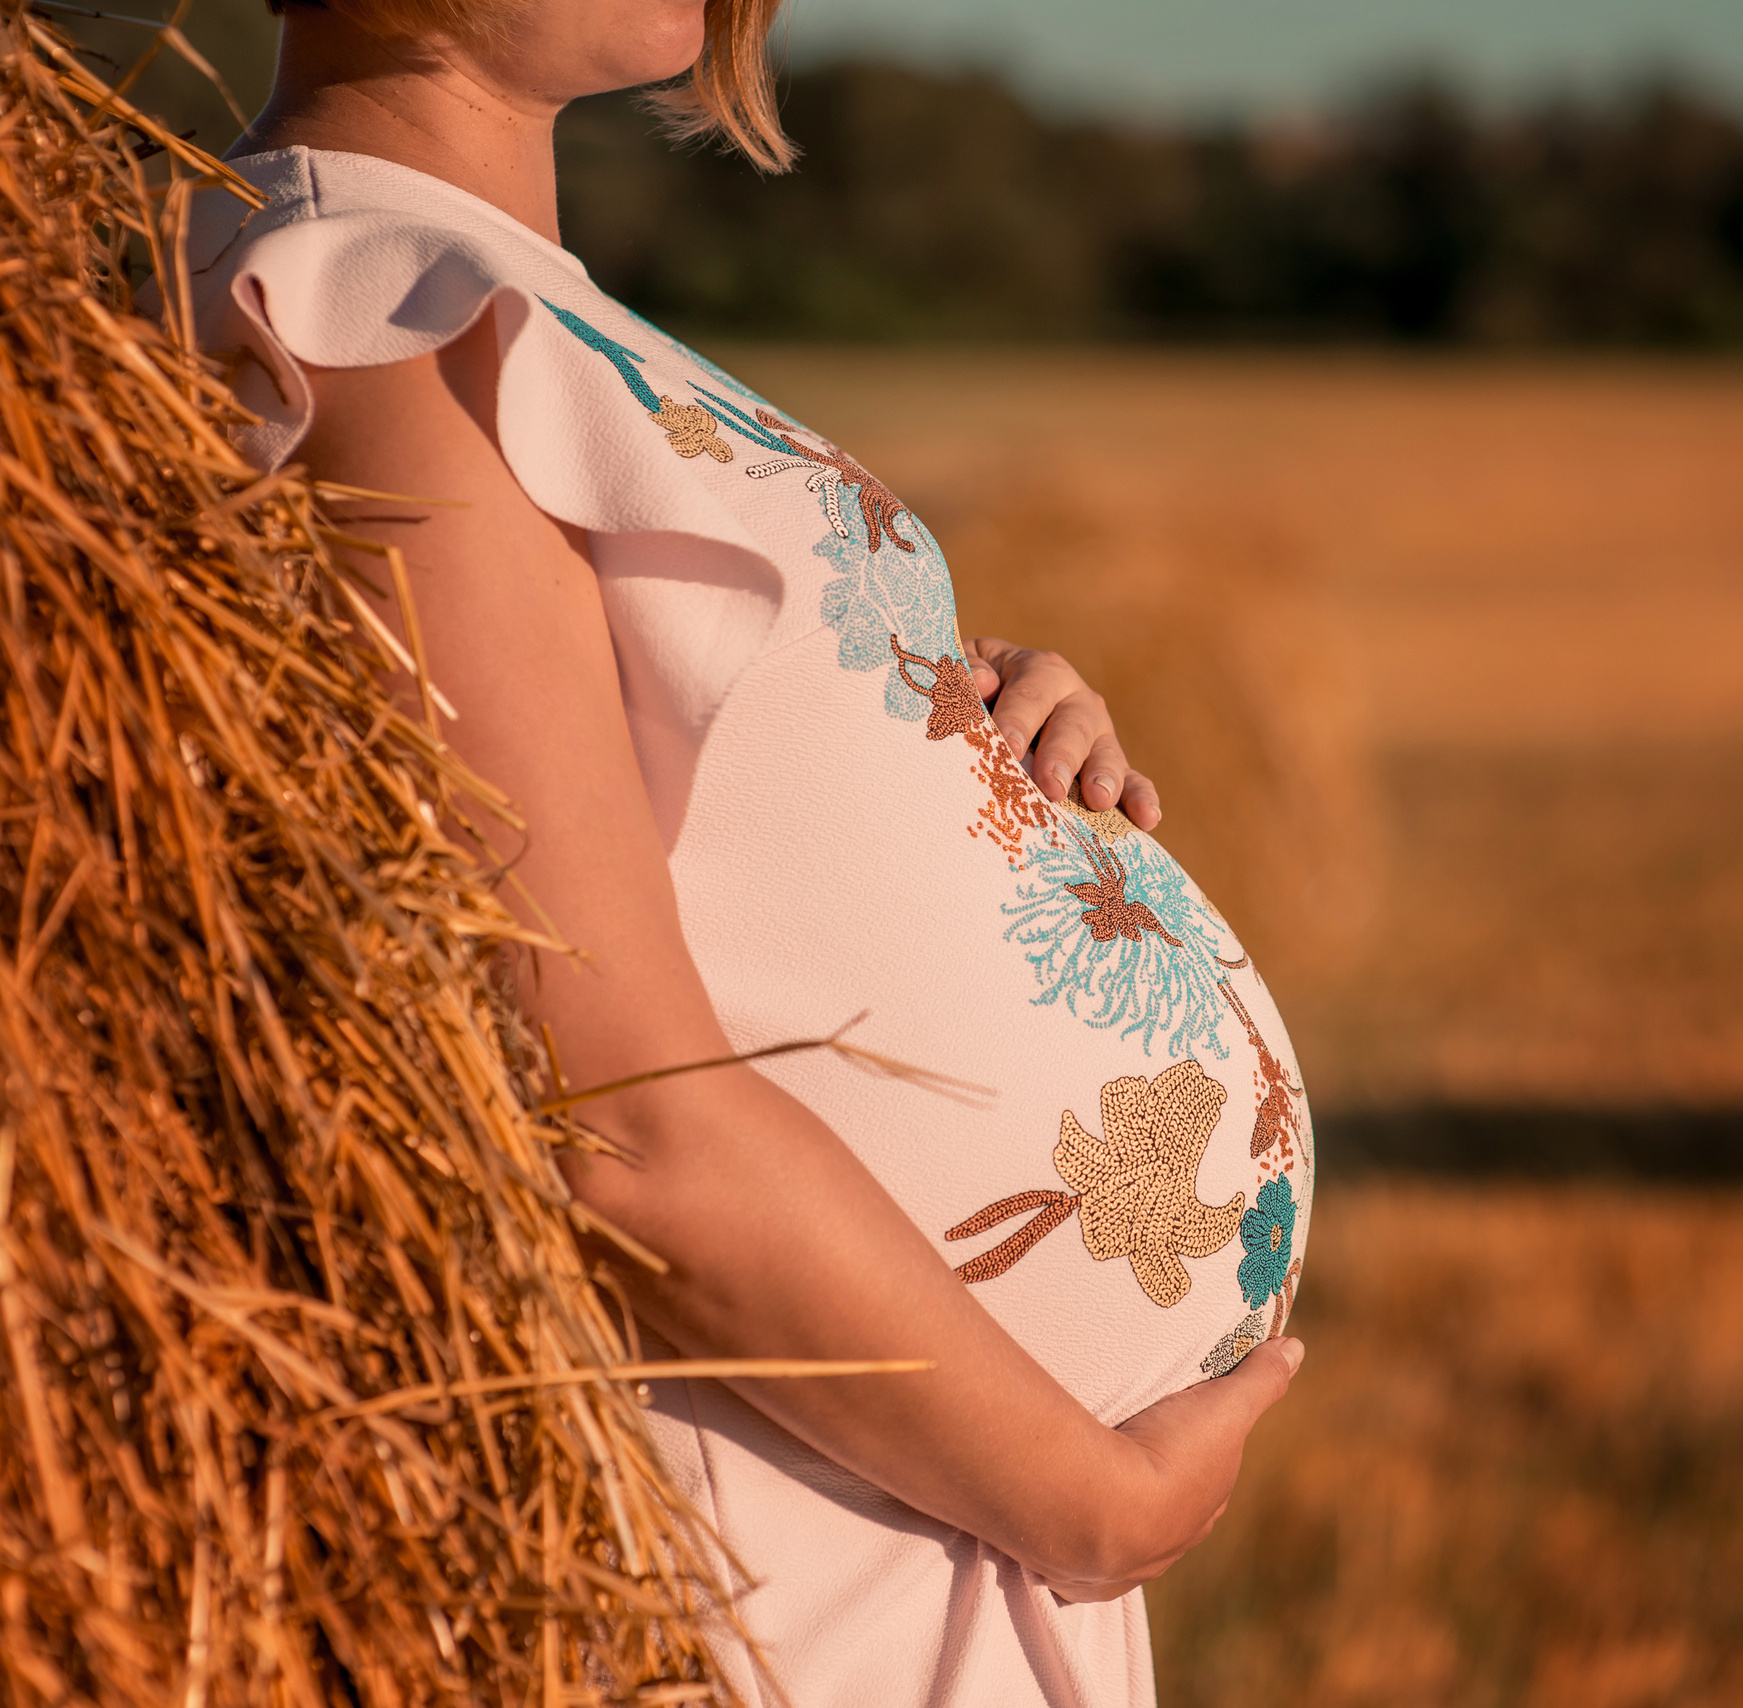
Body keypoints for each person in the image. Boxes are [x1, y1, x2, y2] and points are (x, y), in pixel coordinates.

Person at [187, 0, 1316, 1702]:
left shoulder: (460, 290)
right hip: (804, 1527)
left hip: (904, 1489)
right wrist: (1091, 1500)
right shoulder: (365, 310)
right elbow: (609, 1118)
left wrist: (948, 732)